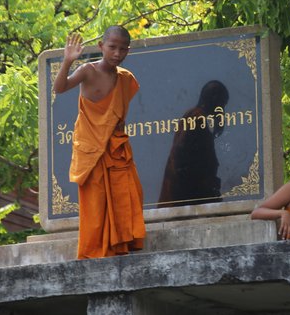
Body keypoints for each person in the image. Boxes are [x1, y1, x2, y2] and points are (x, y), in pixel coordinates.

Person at [53, 26, 145, 259]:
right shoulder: (88, 71)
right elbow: (59, 88)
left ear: (127, 51)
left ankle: (123, 244)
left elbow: (117, 115)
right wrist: (67, 62)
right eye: (112, 47)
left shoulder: (125, 78)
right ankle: (94, 252)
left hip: (116, 147)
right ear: (101, 47)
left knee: (128, 195)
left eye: (122, 49)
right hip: (91, 147)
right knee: (95, 204)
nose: (117, 53)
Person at [158, 80, 229, 207]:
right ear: (213, 99)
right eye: (221, 105)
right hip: (184, 198)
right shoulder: (195, 118)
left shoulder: (197, 118)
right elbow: (185, 161)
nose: (222, 110)